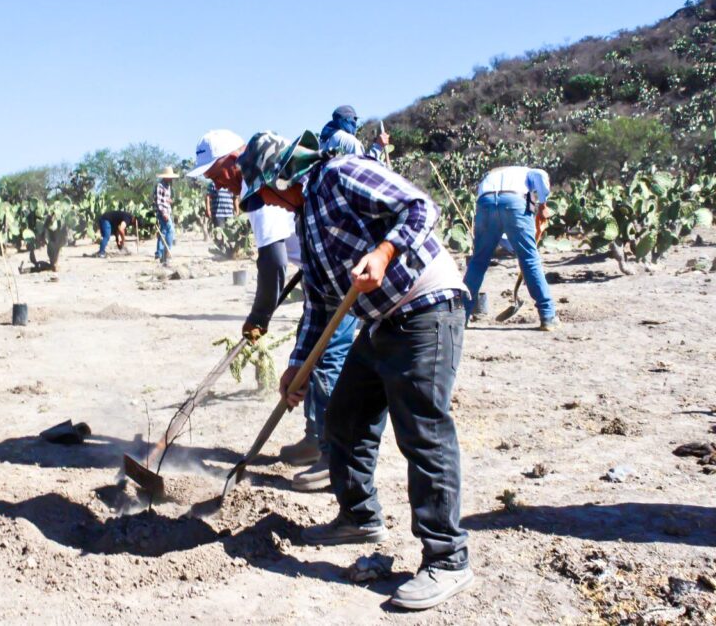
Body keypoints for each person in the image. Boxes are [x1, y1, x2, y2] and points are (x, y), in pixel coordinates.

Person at [238, 130, 473, 611]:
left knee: (422, 430)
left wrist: (385, 252)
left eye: (264, 191)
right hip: (382, 321)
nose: (267, 203)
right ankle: (358, 516)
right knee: (343, 417)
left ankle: (447, 558)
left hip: (427, 305)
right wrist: (299, 364)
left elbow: (421, 208)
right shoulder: (306, 223)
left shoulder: (342, 175)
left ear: (282, 175)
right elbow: (322, 308)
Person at [196, 130, 355, 493]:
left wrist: (259, 319)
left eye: (219, 173)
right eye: (212, 180)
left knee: (327, 358)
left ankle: (332, 456)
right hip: (324, 279)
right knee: (310, 353)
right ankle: (317, 438)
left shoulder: (262, 185)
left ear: (236, 161)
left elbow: (273, 262)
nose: (220, 184)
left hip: (346, 280)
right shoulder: (258, 188)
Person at [462, 166, 558, 330]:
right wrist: (542, 204)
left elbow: (500, 228)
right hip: (516, 201)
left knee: (478, 261)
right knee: (530, 260)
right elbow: (540, 175)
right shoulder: (527, 171)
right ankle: (548, 316)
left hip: (485, 203)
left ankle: (460, 316)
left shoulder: (489, 175)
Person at [154, 166, 178, 262]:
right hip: (163, 212)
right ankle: (166, 254)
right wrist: (164, 213)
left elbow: (164, 199)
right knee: (170, 231)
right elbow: (159, 201)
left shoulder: (167, 185)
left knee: (163, 232)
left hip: (167, 211)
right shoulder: (160, 185)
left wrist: (169, 201)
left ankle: (159, 254)